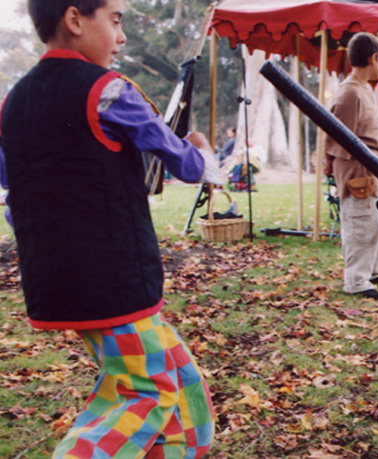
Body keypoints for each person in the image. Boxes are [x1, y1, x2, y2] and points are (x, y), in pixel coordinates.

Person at [0, 0, 221, 457]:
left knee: (182, 382)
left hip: (57, 281)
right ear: (76, 19)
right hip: (115, 281)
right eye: (116, 20)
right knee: (147, 392)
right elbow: (182, 161)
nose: (121, 37)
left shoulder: (12, 102)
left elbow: (13, 187)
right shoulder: (108, 91)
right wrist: (203, 152)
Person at [323, 32, 378, 300]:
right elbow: (337, 136)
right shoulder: (349, 93)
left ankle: (372, 271)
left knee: (376, 222)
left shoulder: (364, 90)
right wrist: (331, 163)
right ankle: (356, 279)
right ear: (373, 58)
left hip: (373, 168)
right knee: (361, 222)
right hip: (358, 171)